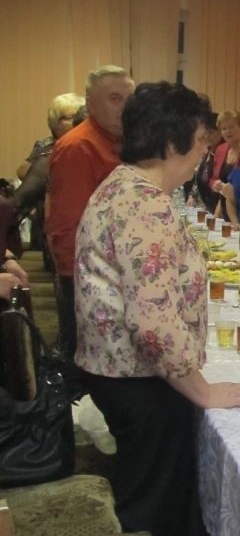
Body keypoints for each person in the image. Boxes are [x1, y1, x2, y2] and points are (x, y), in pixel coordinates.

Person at [73, 81, 240, 536]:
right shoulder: (144, 203)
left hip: (121, 371)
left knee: (152, 491)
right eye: (201, 141)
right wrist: (203, 391)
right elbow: (153, 326)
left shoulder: (129, 188)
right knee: (147, 501)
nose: (205, 152)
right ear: (175, 139)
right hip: (135, 379)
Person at [47, 65, 135, 357]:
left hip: (111, 273)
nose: (124, 108)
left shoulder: (119, 142)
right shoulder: (79, 147)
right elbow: (69, 223)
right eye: (114, 98)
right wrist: (79, 285)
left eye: (128, 99)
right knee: (87, 363)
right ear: (90, 103)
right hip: (88, 279)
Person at [13, 93, 85, 268]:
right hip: (52, 226)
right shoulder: (46, 148)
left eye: (80, 115)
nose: (79, 120)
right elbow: (22, 171)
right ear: (55, 121)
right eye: (70, 117)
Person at [209, 110, 240, 220]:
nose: (228, 131)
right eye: (224, 129)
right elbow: (213, 178)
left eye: (231, 127)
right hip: (223, 207)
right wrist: (215, 184)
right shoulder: (221, 149)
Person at [186, 113, 222, 212]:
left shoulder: (222, 152)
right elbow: (200, 175)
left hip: (219, 210)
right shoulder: (209, 150)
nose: (207, 136)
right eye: (205, 133)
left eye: (210, 132)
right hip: (207, 207)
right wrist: (192, 195)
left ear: (220, 131)